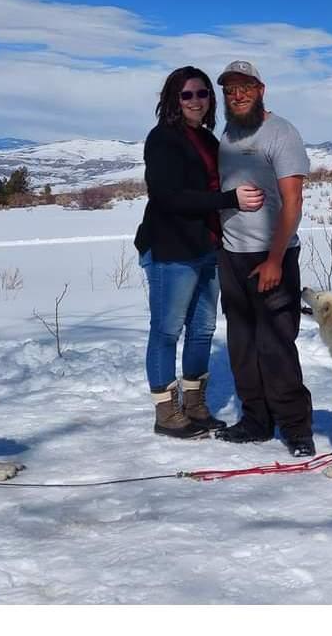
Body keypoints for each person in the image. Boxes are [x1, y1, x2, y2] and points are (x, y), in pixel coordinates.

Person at [134, 67, 264, 438]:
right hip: (171, 249)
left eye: (203, 93)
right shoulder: (163, 139)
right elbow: (168, 196)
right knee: (166, 330)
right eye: (187, 94)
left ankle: (195, 404)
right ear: (174, 99)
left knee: (203, 329)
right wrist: (229, 199)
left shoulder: (207, 140)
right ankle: (166, 412)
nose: (196, 100)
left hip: (207, 246)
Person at [213, 60, 315, 457]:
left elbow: (293, 201)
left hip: (273, 256)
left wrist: (274, 259)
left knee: (275, 346)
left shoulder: (281, 133)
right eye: (229, 89)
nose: (237, 95)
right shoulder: (228, 133)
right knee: (242, 345)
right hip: (232, 256)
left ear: (261, 89)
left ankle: (296, 427)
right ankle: (256, 421)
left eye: (245, 87)